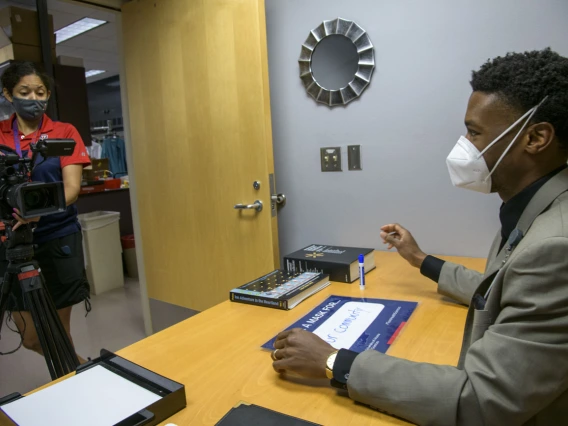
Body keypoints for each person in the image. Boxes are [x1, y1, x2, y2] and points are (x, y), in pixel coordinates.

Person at [270, 48, 568, 425]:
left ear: (536, 138)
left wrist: (333, 361)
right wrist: (417, 257)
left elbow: (481, 400)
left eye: (474, 132)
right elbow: (496, 290)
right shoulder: (537, 208)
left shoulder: (555, 247)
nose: (464, 145)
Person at [0, 62, 91, 363]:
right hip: (11, 243)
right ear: (8, 95)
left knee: (57, 330)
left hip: (57, 238)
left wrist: (39, 212)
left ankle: (76, 381)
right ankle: (80, 366)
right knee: (31, 338)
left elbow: (72, 188)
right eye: (24, 92)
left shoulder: (63, 132)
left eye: (40, 92)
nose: (33, 98)